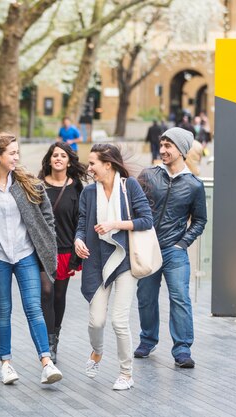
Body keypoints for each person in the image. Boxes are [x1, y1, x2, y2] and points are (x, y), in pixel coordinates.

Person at [0, 133, 63, 385]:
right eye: (12, 153)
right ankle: (6, 364)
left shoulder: (28, 183)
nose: (16, 157)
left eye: (18, 152)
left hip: (25, 254)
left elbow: (47, 216)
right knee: (3, 311)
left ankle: (46, 363)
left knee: (33, 308)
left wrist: (47, 240)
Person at [74, 143, 154, 390]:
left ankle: (126, 374)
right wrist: (78, 239)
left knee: (119, 321)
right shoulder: (88, 192)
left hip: (125, 260)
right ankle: (97, 352)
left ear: (107, 164)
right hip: (96, 262)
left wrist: (115, 224)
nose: (89, 168)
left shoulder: (128, 186)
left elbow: (146, 220)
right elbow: (82, 222)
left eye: (93, 163)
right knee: (96, 321)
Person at [135, 127, 207, 368]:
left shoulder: (194, 185)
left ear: (182, 150)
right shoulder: (148, 175)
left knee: (180, 298)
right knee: (145, 297)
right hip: (147, 248)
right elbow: (132, 206)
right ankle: (147, 339)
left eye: (168, 146)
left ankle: (183, 349)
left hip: (174, 251)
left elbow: (199, 220)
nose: (162, 150)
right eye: (162, 145)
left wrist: (182, 243)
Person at [37, 142, 88, 363]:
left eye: (63, 155)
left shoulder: (77, 187)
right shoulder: (38, 186)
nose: (58, 158)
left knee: (58, 295)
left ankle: (55, 335)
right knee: (46, 293)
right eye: (55, 155)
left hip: (66, 250)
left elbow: (81, 220)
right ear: (49, 160)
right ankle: (48, 343)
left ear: (69, 161)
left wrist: (80, 244)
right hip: (42, 250)